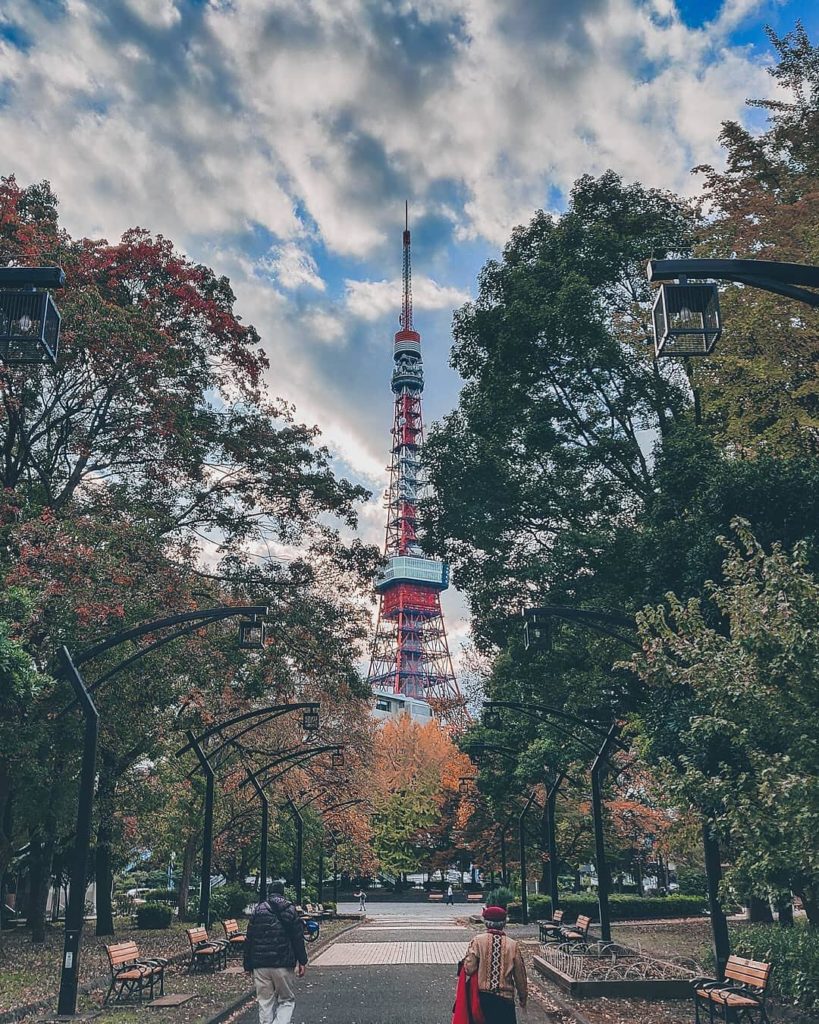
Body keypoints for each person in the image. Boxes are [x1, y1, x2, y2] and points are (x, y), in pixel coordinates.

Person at [243, 881, 308, 1024]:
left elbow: (250, 938)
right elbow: (297, 938)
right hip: (283, 962)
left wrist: (247, 964)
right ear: (283, 892)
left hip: (260, 964)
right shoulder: (290, 910)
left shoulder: (258, 910)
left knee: (265, 1002)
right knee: (286, 1000)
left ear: (269, 892)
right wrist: (302, 961)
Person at [463, 905, 527, 1023]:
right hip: (505, 1000)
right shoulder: (513, 945)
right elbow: (520, 975)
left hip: (482, 998)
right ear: (504, 923)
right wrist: (523, 996)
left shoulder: (478, 941)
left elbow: (469, 969)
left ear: (486, 923)